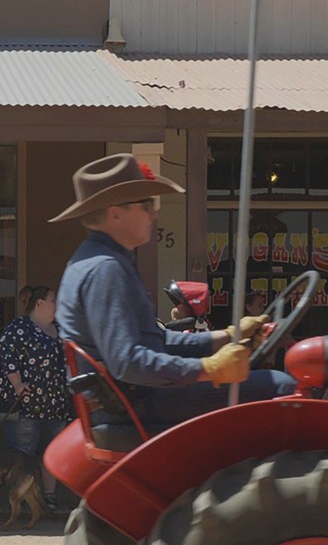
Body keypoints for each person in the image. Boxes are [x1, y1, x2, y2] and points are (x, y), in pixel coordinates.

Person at [53, 154, 292, 436]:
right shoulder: (106, 269)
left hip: (128, 400)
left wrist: (227, 336)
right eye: (147, 204)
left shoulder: (96, 261)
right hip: (136, 402)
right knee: (281, 385)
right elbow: (129, 362)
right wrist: (209, 368)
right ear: (115, 212)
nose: (154, 213)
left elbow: (155, 341)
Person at [0, 284, 67, 515]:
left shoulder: (61, 330)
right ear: (40, 303)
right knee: (23, 455)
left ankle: (49, 496)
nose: (57, 304)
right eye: (53, 299)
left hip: (55, 404)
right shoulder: (19, 328)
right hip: (25, 405)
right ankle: (22, 499)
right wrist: (17, 384)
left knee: (51, 453)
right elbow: (7, 358)